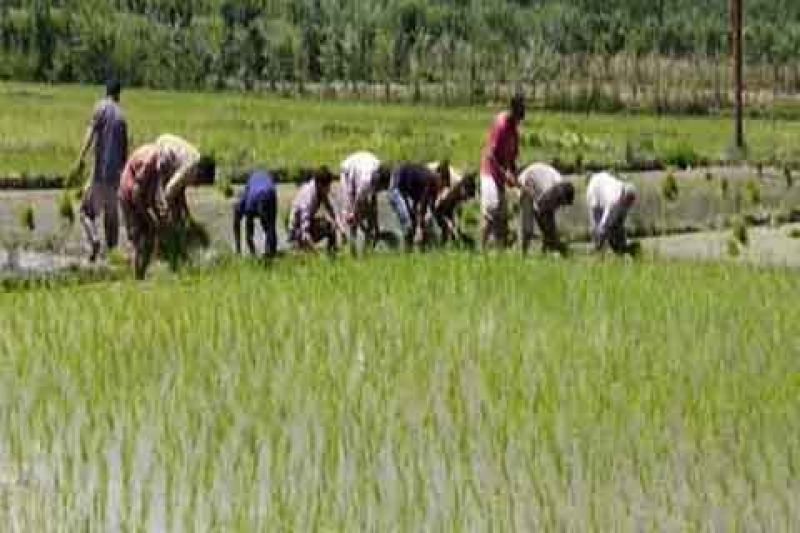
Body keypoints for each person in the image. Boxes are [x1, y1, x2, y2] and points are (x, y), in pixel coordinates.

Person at [73, 79, 129, 262]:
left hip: (99, 175)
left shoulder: (100, 108)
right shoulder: (122, 117)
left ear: (106, 91)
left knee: (85, 213)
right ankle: (112, 258)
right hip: (116, 179)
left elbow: (90, 135)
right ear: (119, 94)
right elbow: (124, 153)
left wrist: (80, 158)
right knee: (112, 222)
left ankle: (95, 240)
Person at [480, 93, 525, 249]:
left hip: (499, 176)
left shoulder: (514, 131)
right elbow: (491, 155)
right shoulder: (501, 125)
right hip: (489, 173)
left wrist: (515, 176)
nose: (520, 118)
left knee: (503, 216)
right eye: (519, 113)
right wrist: (504, 174)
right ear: (513, 110)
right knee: (491, 210)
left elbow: (512, 159)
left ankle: (499, 250)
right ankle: (481, 249)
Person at [117, 144, 167, 280]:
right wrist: (148, 218)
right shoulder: (149, 162)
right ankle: (137, 277)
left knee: (150, 234)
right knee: (137, 238)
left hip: (138, 196)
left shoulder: (158, 166)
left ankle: (142, 274)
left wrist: (158, 216)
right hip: (128, 194)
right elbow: (136, 194)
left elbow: (150, 195)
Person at [155, 134, 216, 223]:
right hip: (161, 150)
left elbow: (181, 189)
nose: (197, 186)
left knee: (177, 193)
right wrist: (170, 212)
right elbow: (169, 191)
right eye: (201, 182)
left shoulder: (195, 162)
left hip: (169, 148)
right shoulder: (190, 169)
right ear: (201, 173)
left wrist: (187, 215)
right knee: (168, 199)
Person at [518, 163, 575, 255]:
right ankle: (523, 254)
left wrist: (552, 235)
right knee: (528, 227)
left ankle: (545, 251)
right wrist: (555, 240)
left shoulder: (558, 184)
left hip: (540, 187)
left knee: (548, 226)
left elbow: (548, 216)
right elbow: (539, 209)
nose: (560, 206)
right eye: (561, 202)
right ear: (561, 196)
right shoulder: (549, 192)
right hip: (526, 185)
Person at [388, 162, 449, 248]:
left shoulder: (434, 187)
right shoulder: (427, 180)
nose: (441, 188)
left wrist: (445, 222)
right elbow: (408, 196)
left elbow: (431, 208)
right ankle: (406, 249)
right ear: (438, 177)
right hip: (398, 183)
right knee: (408, 221)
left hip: (411, 189)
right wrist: (419, 225)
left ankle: (419, 246)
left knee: (421, 221)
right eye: (442, 185)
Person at [339, 151, 391, 251]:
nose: (379, 190)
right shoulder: (365, 181)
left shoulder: (379, 170)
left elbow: (373, 201)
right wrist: (354, 215)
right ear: (377, 180)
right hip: (347, 170)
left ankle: (367, 250)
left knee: (369, 212)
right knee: (351, 214)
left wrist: (376, 226)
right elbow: (357, 201)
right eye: (380, 188)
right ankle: (352, 249)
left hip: (362, 164)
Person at [287, 167, 342, 252]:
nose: (329, 189)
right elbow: (305, 231)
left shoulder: (319, 189)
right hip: (297, 230)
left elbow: (330, 209)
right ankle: (300, 247)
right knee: (308, 247)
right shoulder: (308, 197)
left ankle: (332, 254)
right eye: (328, 186)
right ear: (320, 184)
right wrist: (315, 252)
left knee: (330, 226)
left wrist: (341, 228)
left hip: (306, 225)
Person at [586, 171, 638, 255]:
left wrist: (621, 233)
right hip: (594, 190)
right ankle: (597, 250)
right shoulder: (613, 199)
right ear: (624, 195)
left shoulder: (627, 196)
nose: (629, 204)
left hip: (604, 183)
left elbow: (621, 218)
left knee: (616, 224)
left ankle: (620, 247)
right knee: (599, 226)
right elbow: (604, 220)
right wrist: (601, 231)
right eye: (628, 201)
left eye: (631, 201)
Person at [429, 163, 477, 247]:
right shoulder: (448, 188)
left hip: (438, 197)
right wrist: (450, 226)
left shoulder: (459, 189)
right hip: (424, 186)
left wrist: (455, 228)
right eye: (465, 197)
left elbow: (450, 210)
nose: (465, 200)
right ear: (463, 190)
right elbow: (436, 209)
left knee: (447, 227)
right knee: (430, 221)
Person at [233, 170, 278, 258]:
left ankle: (267, 255)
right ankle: (271, 252)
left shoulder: (247, 201)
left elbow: (246, 231)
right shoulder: (249, 191)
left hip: (261, 194)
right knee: (271, 226)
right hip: (271, 191)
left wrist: (239, 249)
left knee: (266, 226)